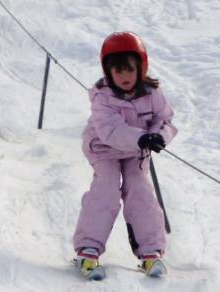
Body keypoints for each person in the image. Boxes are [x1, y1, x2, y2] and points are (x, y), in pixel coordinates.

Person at [73, 32, 177, 279]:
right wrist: (140, 138)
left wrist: (159, 136)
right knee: (106, 190)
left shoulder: (152, 94)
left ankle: (151, 252)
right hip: (104, 149)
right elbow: (110, 130)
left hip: (136, 152)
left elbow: (164, 119)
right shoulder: (102, 97)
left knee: (140, 190)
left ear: (141, 68)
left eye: (130, 70)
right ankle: (88, 249)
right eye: (118, 72)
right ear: (109, 73)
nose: (125, 77)